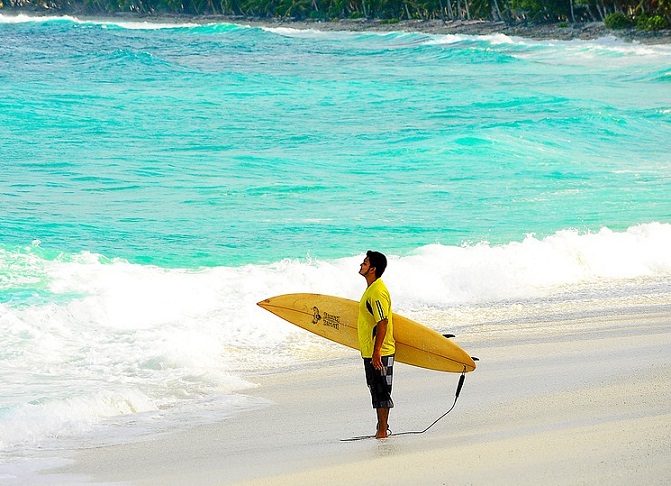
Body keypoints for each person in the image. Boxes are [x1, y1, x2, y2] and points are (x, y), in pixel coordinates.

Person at [358, 250, 395, 439]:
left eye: (364, 263)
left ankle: (382, 431)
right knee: (376, 389)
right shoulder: (371, 289)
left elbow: (383, 322)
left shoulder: (377, 292)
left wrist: (377, 351)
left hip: (380, 351)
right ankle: (381, 428)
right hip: (371, 350)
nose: (361, 265)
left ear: (372, 269)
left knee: (381, 391)